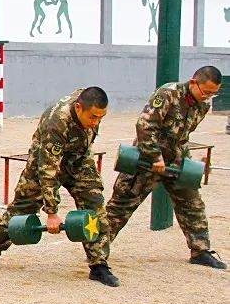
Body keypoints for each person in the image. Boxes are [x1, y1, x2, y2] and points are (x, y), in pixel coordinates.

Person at [0, 87, 120, 287]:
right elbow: (48, 171)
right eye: (93, 117)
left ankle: (99, 265)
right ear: (78, 108)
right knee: (21, 208)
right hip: (43, 164)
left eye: (101, 117)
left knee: (95, 208)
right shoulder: (56, 123)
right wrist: (52, 212)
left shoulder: (89, 104)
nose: (96, 122)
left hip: (78, 161)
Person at [87, 67, 226, 271]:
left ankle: (200, 251)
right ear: (193, 82)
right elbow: (145, 125)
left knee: (192, 204)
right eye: (206, 92)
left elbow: (182, 135)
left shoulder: (202, 105)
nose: (208, 97)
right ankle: (96, 253)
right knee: (120, 207)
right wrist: (155, 157)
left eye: (213, 94)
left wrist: (181, 158)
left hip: (176, 160)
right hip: (146, 159)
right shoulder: (168, 94)